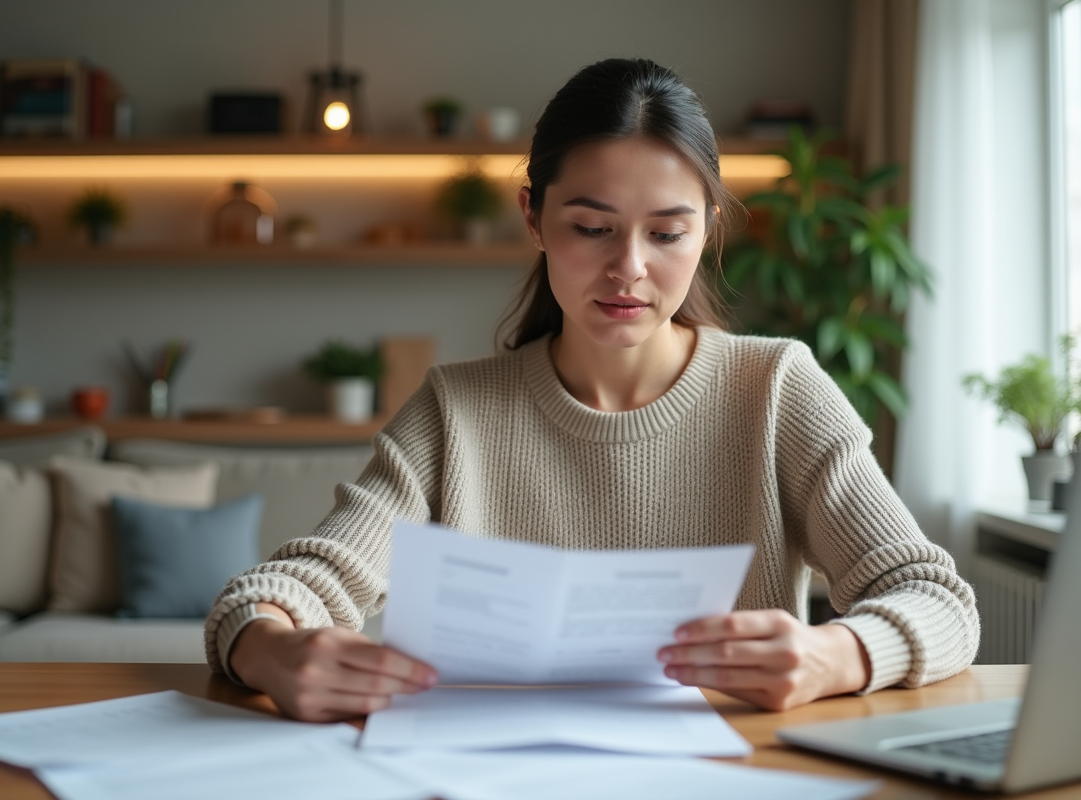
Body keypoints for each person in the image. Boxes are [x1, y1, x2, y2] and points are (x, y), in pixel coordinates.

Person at [205, 58, 979, 723]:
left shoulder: (776, 387)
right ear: (534, 218)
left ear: (708, 229)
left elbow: (937, 599)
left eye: (667, 233)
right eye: (592, 227)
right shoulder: (455, 411)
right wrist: (274, 651)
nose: (629, 268)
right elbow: (282, 588)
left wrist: (834, 653)